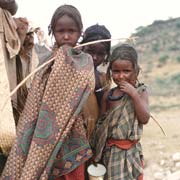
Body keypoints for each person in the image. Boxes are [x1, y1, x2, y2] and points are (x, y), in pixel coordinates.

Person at [1, 4, 95, 180]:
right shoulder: (45, 64)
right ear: (52, 31)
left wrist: (65, 60)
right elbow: (34, 104)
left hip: (71, 138)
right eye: (61, 31)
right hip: (42, 140)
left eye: (71, 31)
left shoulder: (84, 61)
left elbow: (86, 84)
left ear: (80, 32)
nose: (66, 36)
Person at [90, 44, 150, 180]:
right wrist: (96, 151)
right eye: (116, 71)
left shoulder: (141, 92)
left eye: (126, 71)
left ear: (136, 71)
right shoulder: (108, 95)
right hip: (111, 154)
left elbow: (144, 119)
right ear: (110, 71)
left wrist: (134, 95)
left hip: (131, 153)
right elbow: (101, 126)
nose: (121, 76)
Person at [82, 24, 111, 108]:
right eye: (90, 51)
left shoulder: (103, 79)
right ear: (82, 47)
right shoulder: (70, 71)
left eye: (100, 54)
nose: (94, 57)